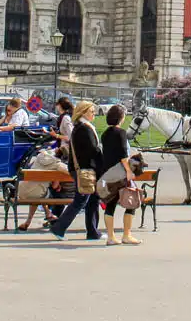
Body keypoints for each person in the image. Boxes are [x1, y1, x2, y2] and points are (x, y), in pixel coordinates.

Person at [51, 101, 103, 241]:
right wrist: (103, 158)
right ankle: (59, 228)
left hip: (82, 168)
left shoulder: (81, 127)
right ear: (84, 112)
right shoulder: (83, 128)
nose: (94, 114)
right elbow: (92, 150)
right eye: (92, 111)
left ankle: (92, 231)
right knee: (81, 200)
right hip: (84, 169)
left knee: (92, 199)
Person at [97, 104, 142, 245]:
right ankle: (126, 235)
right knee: (131, 201)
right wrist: (129, 171)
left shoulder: (105, 134)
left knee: (110, 205)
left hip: (108, 173)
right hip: (120, 172)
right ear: (121, 118)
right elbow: (123, 155)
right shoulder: (121, 133)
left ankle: (111, 237)